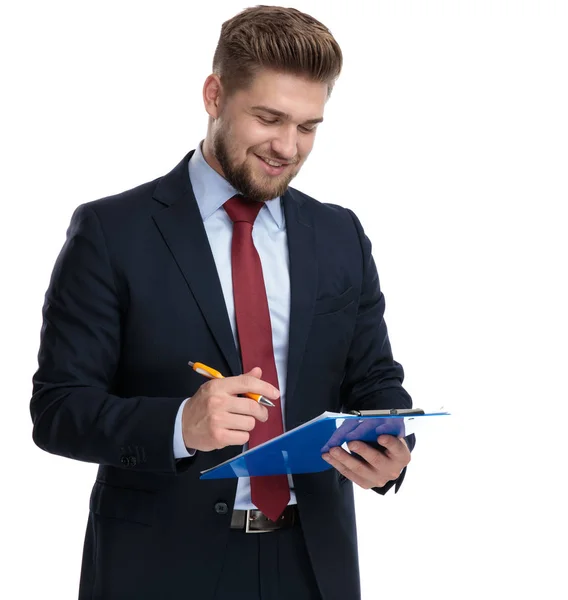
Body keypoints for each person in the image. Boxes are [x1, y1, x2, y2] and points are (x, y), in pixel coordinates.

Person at [30, 5, 415, 600]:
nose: (288, 147)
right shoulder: (112, 231)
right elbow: (58, 409)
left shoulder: (340, 234)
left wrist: (392, 451)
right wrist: (182, 425)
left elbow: (375, 378)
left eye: (309, 126)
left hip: (312, 563)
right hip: (159, 567)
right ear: (214, 95)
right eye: (269, 118)